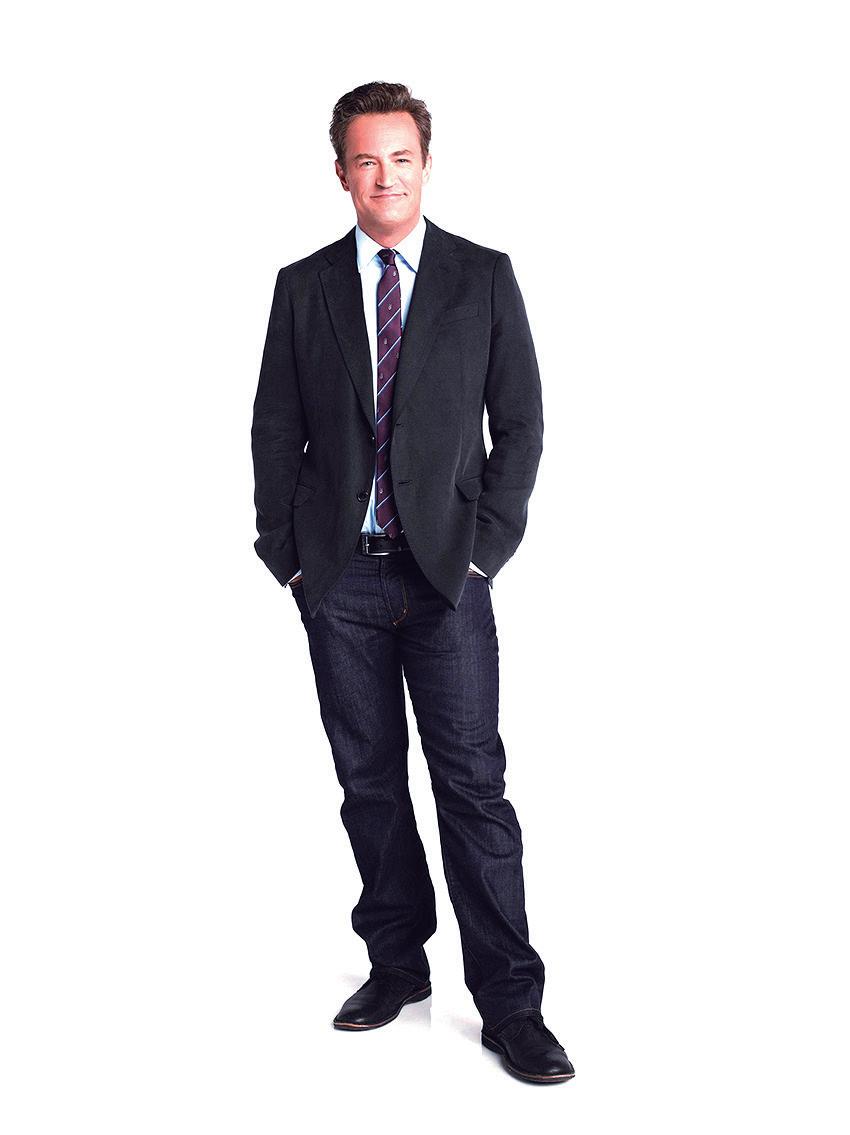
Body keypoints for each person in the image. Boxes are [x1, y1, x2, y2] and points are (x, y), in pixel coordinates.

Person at [251, 81, 574, 1085]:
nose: (383, 176)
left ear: (425, 164)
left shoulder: (483, 277)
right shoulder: (303, 286)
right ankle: (396, 963)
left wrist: (484, 550)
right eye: (365, 160)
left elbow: (520, 422)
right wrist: (288, 557)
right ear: (341, 172)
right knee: (368, 782)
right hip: (338, 581)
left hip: (446, 580)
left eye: (399, 157)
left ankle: (513, 1006)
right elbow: (274, 428)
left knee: (472, 786)